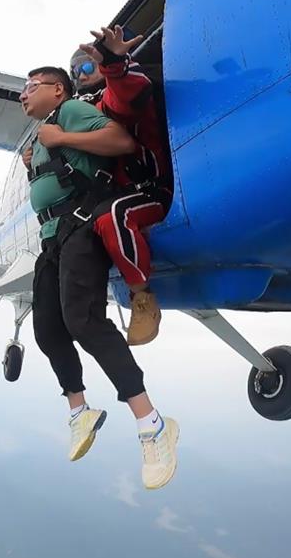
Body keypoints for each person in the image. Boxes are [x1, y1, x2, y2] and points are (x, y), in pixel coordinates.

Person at [20, 66, 180, 490]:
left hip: (81, 224)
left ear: (57, 90)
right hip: (52, 236)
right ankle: (79, 411)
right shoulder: (45, 132)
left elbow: (119, 141)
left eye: (31, 87)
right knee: (47, 330)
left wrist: (62, 139)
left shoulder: (70, 111)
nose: (23, 94)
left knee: (84, 321)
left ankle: (152, 423)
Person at [23, 25, 172, 346]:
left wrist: (113, 64)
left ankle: (141, 297)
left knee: (112, 217)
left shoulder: (115, 94)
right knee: (98, 219)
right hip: (113, 195)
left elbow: (126, 99)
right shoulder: (77, 110)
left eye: (88, 66)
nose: (81, 74)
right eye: (76, 70)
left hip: (149, 191)